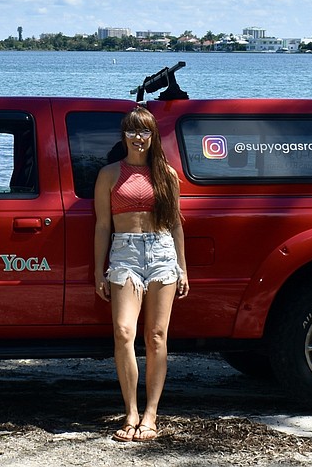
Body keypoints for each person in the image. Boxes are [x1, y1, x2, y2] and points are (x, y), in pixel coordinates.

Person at [93, 105, 189, 442]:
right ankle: (130, 411)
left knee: (157, 337)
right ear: (124, 136)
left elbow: (176, 224)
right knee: (123, 332)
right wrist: (98, 269)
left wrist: (182, 268)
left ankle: (151, 414)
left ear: (153, 136)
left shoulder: (167, 174)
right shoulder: (109, 174)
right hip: (124, 253)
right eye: (132, 131)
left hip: (163, 254)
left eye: (144, 130)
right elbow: (102, 226)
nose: (138, 137)